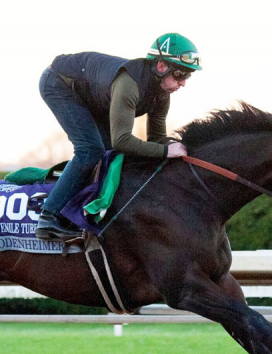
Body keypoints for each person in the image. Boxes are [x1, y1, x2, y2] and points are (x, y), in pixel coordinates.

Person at [35, 33, 201, 240]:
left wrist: (184, 148)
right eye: (180, 74)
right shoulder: (129, 85)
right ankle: (48, 217)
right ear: (161, 66)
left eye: (188, 76)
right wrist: (167, 151)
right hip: (59, 83)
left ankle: (82, 209)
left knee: (109, 156)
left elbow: (156, 139)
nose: (183, 83)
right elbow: (121, 140)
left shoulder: (162, 95)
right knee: (90, 151)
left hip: (95, 96)